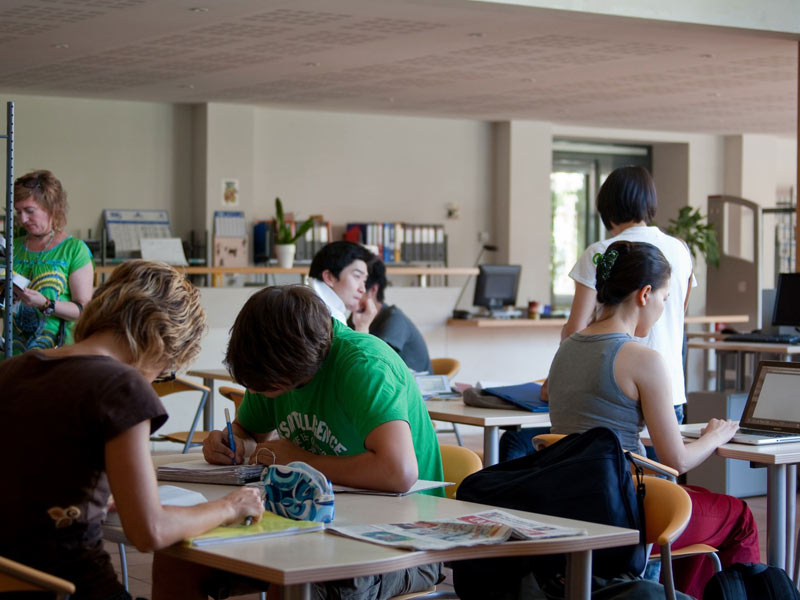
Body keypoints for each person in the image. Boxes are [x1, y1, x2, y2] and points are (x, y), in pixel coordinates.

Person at [0, 260, 264, 600]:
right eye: (169, 364)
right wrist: (230, 506)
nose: (160, 373)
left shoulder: (15, 369)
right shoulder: (121, 386)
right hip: (74, 587)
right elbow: (150, 531)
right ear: (163, 339)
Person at [202, 284, 444, 599]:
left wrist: (299, 459)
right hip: (315, 525)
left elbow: (398, 472)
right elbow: (247, 432)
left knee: (308, 580)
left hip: (407, 538)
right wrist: (229, 442)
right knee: (188, 557)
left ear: (296, 370)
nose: (260, 393)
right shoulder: (273, 370)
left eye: (268, 387)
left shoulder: (364, 365)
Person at [547, 241, 759, 599]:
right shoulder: (643, 359)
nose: (663, 308)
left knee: (698, 502)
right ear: (645, 294)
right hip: (629, 508)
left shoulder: (566, 347)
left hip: (570, 501)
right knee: (738, 516)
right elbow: (676, 460)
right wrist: (713, 436)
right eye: (664, 298)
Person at [6, 170, 94, 355]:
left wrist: (45, 303)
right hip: (13, 356)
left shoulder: (74, 249)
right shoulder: (12, 248)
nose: (22, 219)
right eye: (18, 211)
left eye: (30, 211)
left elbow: (84, 310)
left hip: (56, 357)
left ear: (52, 208)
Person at [349, 256, 433, 373]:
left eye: (359, 288)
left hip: (416, 388)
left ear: (373, 290)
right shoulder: (358, 316)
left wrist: (362, 328)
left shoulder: (394, 321)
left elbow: (374, 367)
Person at [308, 240, 373, 327]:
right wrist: (363, 327)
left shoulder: (305, 302)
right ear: (329, 277)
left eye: (364, 281)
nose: (362, 289)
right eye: (357, 276)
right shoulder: (327, 318)